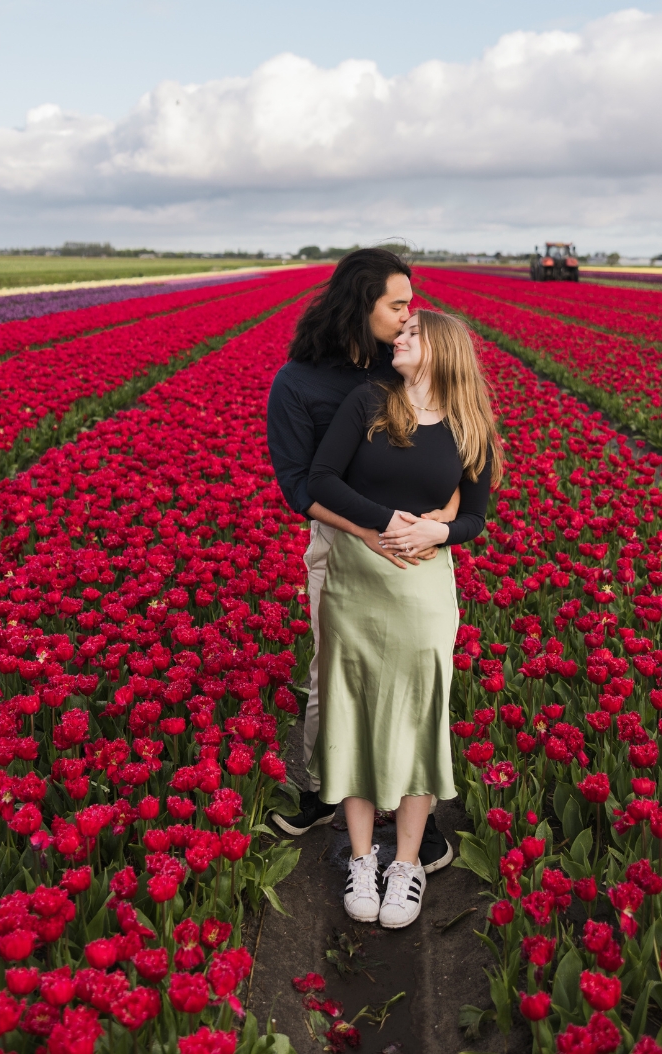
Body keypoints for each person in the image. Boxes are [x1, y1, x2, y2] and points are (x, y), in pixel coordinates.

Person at [306, 308, 502, 928]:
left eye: (414, 333)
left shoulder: (472, 425)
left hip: (422, 586)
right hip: (357, 579)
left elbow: (475, 516)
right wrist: (383, 523)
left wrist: (439, 531)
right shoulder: (369, 401)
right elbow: (321, 479)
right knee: (357, 707)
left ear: (442, 349)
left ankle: (407, 864)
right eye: (402, 329)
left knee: (419, 714)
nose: (400, 337)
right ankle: (363, 859)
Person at [266, 249, 458, 873]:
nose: (409, 317)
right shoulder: (299, 383)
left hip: (415, 546)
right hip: (342, 540)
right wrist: (369, 530)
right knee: (333, 677)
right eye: (397, 305)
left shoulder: (402, 364)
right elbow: (302, 486)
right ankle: (326, 789)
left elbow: (457, 446)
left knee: (411, 684)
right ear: (361, 304)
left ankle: (411, 820)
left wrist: (438, 527)